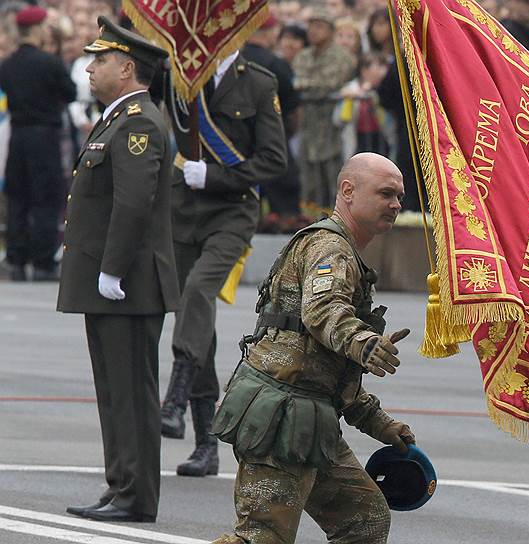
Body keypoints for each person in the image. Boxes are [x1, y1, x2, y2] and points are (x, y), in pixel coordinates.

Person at [210, 152, 416, 544]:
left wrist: (377, 422)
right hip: (281, 417)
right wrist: (365, 342)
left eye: (400, 197)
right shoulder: (329, 248)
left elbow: (324, 363)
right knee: (262, 538)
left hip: (309, 419)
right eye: (386, 193)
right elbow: (323, 311)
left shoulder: (346, 252)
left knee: (364, 519)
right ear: (348, 191)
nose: (395, 204)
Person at [56, 16, 175, 523]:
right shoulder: (117, 119)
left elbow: (133, 205)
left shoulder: (140, 123)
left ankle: (136, 495)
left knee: (130, 392)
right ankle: (121, 484)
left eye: (100, 60)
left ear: (127, 69)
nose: (91, 68)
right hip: (113, 279)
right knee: (113, 391)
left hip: (127, 282)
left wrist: (112, 270)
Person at [160, 44, 288, 477]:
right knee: (197, 318)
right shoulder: (179, 77)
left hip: (232, 209)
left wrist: (214, 175)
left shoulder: (258, 82)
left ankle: (176, 396)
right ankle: (205, 445)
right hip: (182, 209)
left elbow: (274, 158)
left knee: (199, 290)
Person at [0, 5, 75, 282]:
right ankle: (43, 262)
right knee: (45, 198)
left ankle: (17, 260)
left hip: (18, 135)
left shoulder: (7, 64)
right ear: (38, 30)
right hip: (44, 136)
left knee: (18, 197)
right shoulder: (50, 63)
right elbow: (70, 93)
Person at [243, 13, 302, 229]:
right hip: (274, 132)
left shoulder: (236, 60)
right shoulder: (276, 64)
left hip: (238, 135)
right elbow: (293, 105)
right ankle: (285, 219)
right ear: (268, 33)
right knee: (282, 177)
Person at [293, 7, 356, 210]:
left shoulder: (341, 56)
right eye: (311, 26)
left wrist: (307, 85)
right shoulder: (303, 55)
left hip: (333, 124)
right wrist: (312, 85)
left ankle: (337, 213)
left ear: (330, 30)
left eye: (319, 26)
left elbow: (330, 84)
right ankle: (309, 216)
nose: (313, 31)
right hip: (308, 122)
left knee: (334, 171)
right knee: (308, 172)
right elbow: (295, 81)